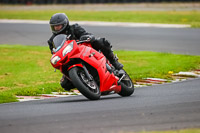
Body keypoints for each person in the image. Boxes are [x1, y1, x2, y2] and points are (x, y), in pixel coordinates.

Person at [47, 13, 123, 90]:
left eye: (58, 26)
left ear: (65, 24)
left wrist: (87, 37)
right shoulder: (51, 41)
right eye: (54, 26)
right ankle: (85, 83)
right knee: (65, 84)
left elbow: (87, 34)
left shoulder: (74, 28)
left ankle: (114, 62)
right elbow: (54, 52)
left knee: (100, 41)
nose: (56, 28)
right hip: (68, 58)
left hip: (83, 50)